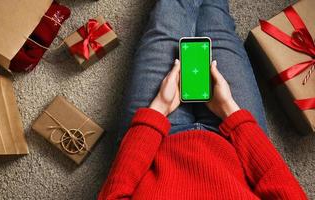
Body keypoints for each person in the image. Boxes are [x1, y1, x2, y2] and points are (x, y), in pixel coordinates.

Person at [98, 0, 307, 199]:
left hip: (152, 144)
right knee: (218, 23)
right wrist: (230, 111)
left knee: (166, 22)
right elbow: (284, 188)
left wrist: (158, 109)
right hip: (235, 142)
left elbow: (113, 195)